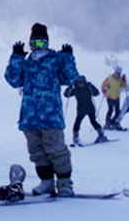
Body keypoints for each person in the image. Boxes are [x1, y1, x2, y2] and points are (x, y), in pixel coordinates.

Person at [4, 22, 79, 197]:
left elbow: (71, 78)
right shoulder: (27, 63)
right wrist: (16, 58)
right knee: (37, 152)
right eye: (35, 44)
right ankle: (46, 181)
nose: (38, 47)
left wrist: (68, 58)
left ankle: (64, 183)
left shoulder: (55, 60)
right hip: (30, 117)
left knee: (56, 150)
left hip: (51, 115)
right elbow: (13, 80)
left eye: (42, 43)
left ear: (47, 43)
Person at [63, 75, 108, 145]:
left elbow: (96, 93)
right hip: (81, 109)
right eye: (79, 83)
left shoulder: (88, 88)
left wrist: (92, 86)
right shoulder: (75, 89)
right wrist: (69, 88)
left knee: (93, 121)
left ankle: (101, 133)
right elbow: (66, 95)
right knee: (77, 123)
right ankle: (75, 137)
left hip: (90, 108)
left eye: (82, 83)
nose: (81, 84)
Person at [102, 66, 128, 130]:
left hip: (116, 97)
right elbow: (103, 85)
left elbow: (124, 87)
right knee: (110, 110)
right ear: (114, 72)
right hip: (109, 96)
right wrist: (104, 90)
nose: (117, 74)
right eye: (116, 73)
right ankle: (108, 122)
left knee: (117, 111)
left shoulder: (120, 79)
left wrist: (124, 80)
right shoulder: (110, 78)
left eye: (119, 73)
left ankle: (114, 122)